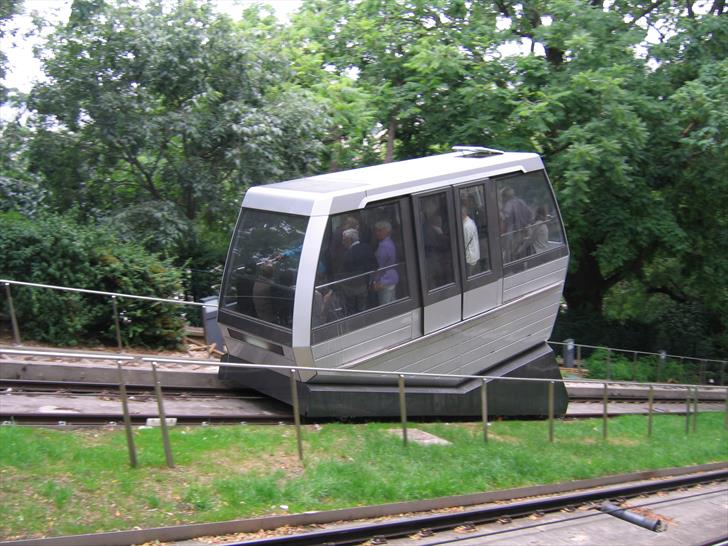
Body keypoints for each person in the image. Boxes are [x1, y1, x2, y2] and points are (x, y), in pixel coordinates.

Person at [339, 228, 377, 314]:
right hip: (366, 286)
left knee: (352, 311)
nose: (342, 243)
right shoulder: (367, 247)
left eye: (344, 240)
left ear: (349, 240)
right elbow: (375, 265)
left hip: (352, 289)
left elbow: (345, 274)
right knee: (363, 309)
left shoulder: (348, 255)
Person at [500, 186, 533, 261]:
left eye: (502, 197)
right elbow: (530, 214)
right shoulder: (521, 201)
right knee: (520, 253)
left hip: (514, 233)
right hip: (524, 231)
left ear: (505, 196)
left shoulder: (508, 204)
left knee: (510, 253)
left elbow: (506, 219)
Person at [372, 220, 399, 305]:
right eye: (376, 230)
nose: (377, 233)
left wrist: (375, 281)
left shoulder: (383, 246)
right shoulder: (390, 242)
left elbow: (380, 265)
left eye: (380, 230)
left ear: (387, 231)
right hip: (392, 278)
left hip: (384, 281)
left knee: (386, 308)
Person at [462, 206, 480, 276]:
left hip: (470, 257)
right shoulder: (471, 221)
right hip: (475, 254)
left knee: (469, 275)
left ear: (463, 215)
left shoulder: (465, 226)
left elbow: (465, 242)